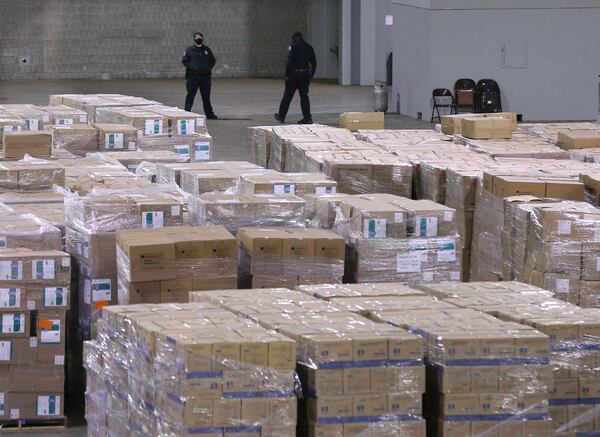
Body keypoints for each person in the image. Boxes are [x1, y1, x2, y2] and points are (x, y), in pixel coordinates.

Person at [274, 32, 317, 124]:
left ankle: (281, 116)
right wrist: (311, 75)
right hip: (305, 75)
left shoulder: (293, 46)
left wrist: (287, 75)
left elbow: (289, 62)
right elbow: (314, 63)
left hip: (294, 75)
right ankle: (307, 117)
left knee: (287, 96)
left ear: (294, 38)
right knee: (304, 96)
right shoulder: (309, 47)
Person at [182, 32, 218, 119]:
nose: (199, 39)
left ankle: (209, 114)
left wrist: (208, 68)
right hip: (193, 77)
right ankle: (187, 112)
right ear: (194, 39)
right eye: (197, 38)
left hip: (205, 77)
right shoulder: (190, 50)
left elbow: (213, 60)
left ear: (202, 38)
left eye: (200, 37)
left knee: (206, 96)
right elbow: (184, 61)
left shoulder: (206, 50)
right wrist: (193, 67)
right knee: (190, 95)